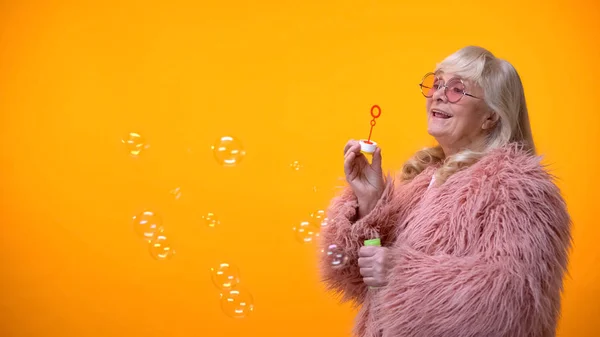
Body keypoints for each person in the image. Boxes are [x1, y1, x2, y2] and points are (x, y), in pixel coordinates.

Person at [318, 46, 572, 337]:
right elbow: (358, 282)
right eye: (436, 84)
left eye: (457, 90)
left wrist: (402, 273)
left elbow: (513, 304)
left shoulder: (519, 189)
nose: (438, 94)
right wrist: (369, 201)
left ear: (490, 116)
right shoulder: (422, 181)